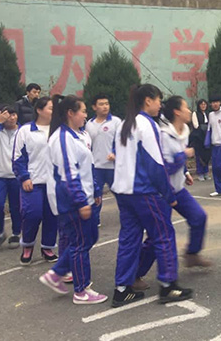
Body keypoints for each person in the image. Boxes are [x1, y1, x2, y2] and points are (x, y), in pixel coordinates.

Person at [111, 84, 191, 307]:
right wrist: (168, 194)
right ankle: (168, 286)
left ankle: (122, 289)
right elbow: (155, 164)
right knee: (163, 234)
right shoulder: (147, 125)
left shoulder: (124, 123)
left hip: (123, 190)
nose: (160, 105)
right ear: (148, 100)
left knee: (129, 238)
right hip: (143, 191)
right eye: (158, 100)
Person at [134, 96, 212, 290]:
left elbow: (178, 160)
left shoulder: (184, 130)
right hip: (162, 192)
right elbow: (162, 167)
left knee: (199, 217)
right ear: (177, 112)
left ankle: (192, 254)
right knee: (158, 236)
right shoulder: (163, 135)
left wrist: (185, 172)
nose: (189, 111)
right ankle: (135, 274)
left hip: (178, 189)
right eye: (186, 107)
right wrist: (182, 156)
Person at [38, 95, 107, 304]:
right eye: (83, 111)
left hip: (84, 196)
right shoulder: (62, 139)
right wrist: (80, 202)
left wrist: (95, 191)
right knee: (80, 243)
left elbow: (87, 167)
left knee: (89, 237)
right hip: (71, 201)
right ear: (70, 113)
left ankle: (57, 272)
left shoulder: (77, 135)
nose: (86, 115)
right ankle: (81, 290)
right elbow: (68, 174)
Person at [13, 97, 58, 265]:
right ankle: (28, 245)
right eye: (50, 108)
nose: (54, 112)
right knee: (32, 214)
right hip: (33, 182)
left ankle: (47, 247)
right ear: (39, 110)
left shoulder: (58, 130)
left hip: (53, 182)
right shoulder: (26, 130)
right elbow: (18, 157)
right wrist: (24, 177)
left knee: (51, 216)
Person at [0, 105, 21, 252]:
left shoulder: (22, 132)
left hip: (17, 176)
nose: (11, 118)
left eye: (13, 114)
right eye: (7, 115)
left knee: (16, 207)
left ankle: (16, 233)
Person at [85, 94, 121, 227]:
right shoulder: (89, 124)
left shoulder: (116, 122)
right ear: (94, 107)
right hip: (96, 166)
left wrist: (115, 153)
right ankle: (95, 220)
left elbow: (121, 141)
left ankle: (127, 216)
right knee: (96, 194)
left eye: (107, 103)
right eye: (101, 104)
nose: (105, 106)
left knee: (120, 193)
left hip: (113, 166)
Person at [190, 99, 211, 181]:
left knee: (207, 155)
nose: (203, 106)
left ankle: (206, 172)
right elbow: (196, 125)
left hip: (207, 137)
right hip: (199, 137)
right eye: (201, 104)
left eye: (204, 104)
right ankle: (200, 173)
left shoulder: (208, 114)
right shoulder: (195, 114)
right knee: (199, 156)